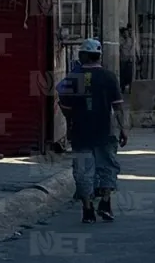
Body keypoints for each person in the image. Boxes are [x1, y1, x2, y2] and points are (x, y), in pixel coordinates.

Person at [57, 39, 127, 224]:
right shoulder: (109, 77)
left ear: (83, 56)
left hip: (81, 132)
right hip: (106, 131)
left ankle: (87, 209)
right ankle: (105, 202)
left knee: (83, 171)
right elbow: (118, 108)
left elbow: (64, 106)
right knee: (107, 167)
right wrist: (123, 130)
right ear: (99, 56)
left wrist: (70, 122)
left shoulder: (74, 78)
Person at [118, 27, 136, 94]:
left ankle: (130, 88)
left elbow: (132, 48)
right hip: (122, 59)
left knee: (129, 74)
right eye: (125, 33)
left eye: (127, 33)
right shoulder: (121, 39)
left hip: (129, 59)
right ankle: (122, 87)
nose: (126, 34)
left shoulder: (130, 40)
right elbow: (120, 47)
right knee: (122, 74)